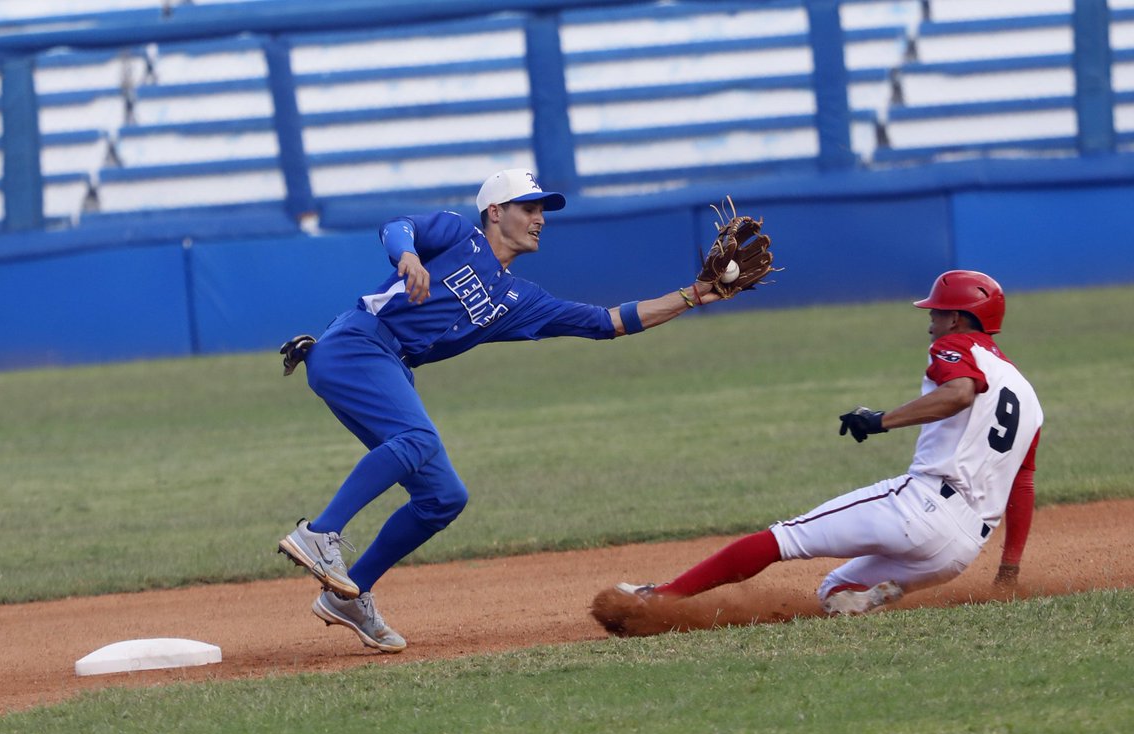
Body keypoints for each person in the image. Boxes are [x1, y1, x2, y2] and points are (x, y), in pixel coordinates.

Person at [278, 168, 753, 652]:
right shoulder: (460, 235)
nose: (539, 218)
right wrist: (407, 257)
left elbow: (608, 322)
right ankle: (320, 533)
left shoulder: (517, 299)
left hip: (388, 365)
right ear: (495, 213)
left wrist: (693, 295)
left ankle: (349, 597)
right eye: (529, 207)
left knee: (442, 497)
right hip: (356, 343)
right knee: (419, 441)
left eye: (542, 209)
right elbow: (398, 226)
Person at [609, 269, 1042, 620]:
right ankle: (876, 595)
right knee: (834, 591)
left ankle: (659, 597)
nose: (931, 321)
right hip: (959, 551)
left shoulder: (955, 345)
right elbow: (1022, 485)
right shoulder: (1028, 397)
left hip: (922, 509)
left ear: (960, 319)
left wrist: (880, 421)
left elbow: (962, 392)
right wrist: (1008, 570)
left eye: (938, 312)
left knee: (783, 539)